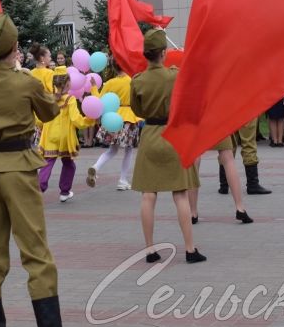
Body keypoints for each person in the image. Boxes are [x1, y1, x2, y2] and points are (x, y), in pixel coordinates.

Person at [0, 13, 87, 327]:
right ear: (15, 49)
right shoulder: (27, 82)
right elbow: (49, 113)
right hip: (19, 169)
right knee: (36, 253)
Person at [131, 29, 205, 264]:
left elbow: (137, 111)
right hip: (173, 135)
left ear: (146, 55)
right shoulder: (175, 76)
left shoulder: (138, 80)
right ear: (164, 53)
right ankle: (190, 249)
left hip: (150, 136)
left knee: (148, 194)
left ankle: (150, 250)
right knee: (180, 194)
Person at [38, 68, 95, 202]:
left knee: (47, 163)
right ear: (68, 84)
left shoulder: (48, 97)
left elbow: (40, 118)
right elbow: (76, 120)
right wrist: (89, 119)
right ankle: (64, 191)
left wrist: (41, 127)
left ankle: (39, 189)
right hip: (65, 137)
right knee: (69, 163)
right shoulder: (70, 99)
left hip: (50, 135)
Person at [87, 60, 140, 191]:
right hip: (129, 118)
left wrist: (93, 87)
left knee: (112, 150)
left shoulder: (110, 83)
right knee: (128, 150)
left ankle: (96, 166)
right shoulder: (132, 81)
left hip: (113, 117)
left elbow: (99, 100)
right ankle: (123, 179)